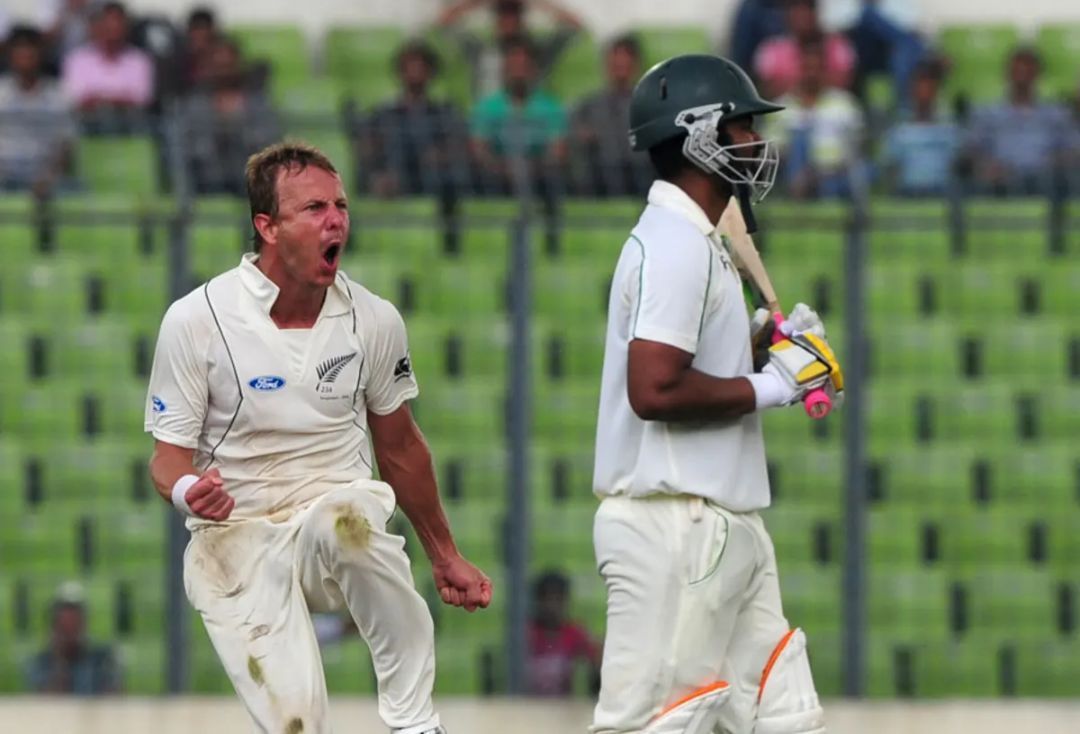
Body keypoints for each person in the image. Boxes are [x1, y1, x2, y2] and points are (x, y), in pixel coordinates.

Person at [144, 141, 492, 734]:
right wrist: (185, 492)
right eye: (313, 209)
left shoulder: (373, 320)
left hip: (331, 511)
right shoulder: (197, 319)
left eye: (341, 205)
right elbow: (167, 456)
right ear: (268, 227)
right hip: (237, 541)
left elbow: (401, 446)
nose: (336, 220)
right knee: (296, 726)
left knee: (347, 523)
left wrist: (444, 554)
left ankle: (414, 722)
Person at [591, 53, 841, 734]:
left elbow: (692, 364)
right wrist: (772, 386)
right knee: (655, 722)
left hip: (725, 523)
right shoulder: (673, 243)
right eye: (743, 128)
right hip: (673, 524)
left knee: (780, 712)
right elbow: (653, 388)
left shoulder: (701, 242)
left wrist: (768, 348)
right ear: (699, 133)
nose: (756, 143)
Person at [361, 40, 471, 198]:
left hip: (434, 180)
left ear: (431, 73)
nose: (415, 72)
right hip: (393, 175)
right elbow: (368, 148)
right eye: (410, 67)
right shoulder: (384, 113)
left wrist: (439, 155)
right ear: (400, 72)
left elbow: (459, 146)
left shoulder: (445, 112)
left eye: (421, 67)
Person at [762, 39, 865, 198]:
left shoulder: (845, 104)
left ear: (825, 71)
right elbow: (771, 152)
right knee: (799, 138)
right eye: (807, 68)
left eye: (817, 68)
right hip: (791, 176)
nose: (812, 74)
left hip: (836, 175)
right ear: (798, 70)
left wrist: (824, 171)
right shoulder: (779, 107)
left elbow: (856, 148)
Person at [964, 47, 1073, 196]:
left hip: (1047, 184)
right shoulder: (987, 114)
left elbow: (1073, 151)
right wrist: (985, 166)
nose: (1022, 78)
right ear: (1007, 75)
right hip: (999, 185)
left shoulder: (1056, 114)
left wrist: (1056, 162)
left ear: (1037, 75)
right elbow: (971, 152)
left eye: (1027, 72)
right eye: (1017, 72)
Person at [471, 35, 567, 196]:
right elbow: (478, 150)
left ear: (534, 70)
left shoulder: (551, 108)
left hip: (540, 179)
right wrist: (502, 168)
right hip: (494, 178)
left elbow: (558, 151)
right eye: (514, 66)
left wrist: (530, 168)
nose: (518, 73)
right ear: (504, 70)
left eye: (524, 66)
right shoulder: (486, 107)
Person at [182, 37, 280, 195]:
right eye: (219, 66)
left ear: (238, 65)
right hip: (206, 181)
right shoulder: (195, 104)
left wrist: (239, 134)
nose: (224, 72)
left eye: (228, 66)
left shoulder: (257, 101)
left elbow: (269, 140)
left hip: (249, 181)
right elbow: (187, 145)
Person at [436, 0, 582, 101]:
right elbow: (444, 23)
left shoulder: (539, 52)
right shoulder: (482, 51)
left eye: (514, 17)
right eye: (504, 17)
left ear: (521, 20)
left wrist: (534, 2)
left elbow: (575, 26)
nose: (509, 23)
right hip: (489, 126)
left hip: (532, 126)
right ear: (497, 20)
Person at [569, 34, 653, 197]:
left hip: (640, 173)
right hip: (600, 174)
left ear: (635, 66)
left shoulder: (649, 105)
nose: (619, 70)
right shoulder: (587, 106)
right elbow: (575, 136)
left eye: (624, 65)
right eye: (615, 65)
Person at [0, 25, 77, 194]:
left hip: (45, 178)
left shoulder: (58, 96)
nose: (25, 59)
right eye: (20, 55)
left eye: (30, 54)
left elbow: (66, 146)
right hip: (4, 177)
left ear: (40, 56)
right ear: (11, 57)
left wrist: (49, 177)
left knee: (76, 191)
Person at [24, 582, 122, 695]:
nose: (70, 632)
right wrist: (59, 660)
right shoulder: (40, 663)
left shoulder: (103, 659)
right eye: (64, 626)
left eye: (75, 624)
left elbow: (114, 699)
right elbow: (47, 703)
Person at [882, 58, 960, 196]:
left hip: (942, 193)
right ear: (911, 90)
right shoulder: (899, 128)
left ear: (936, 90)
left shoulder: (950, 127)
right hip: (907, 193)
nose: (924, 94)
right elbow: (890, 166)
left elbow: (957, 164)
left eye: (929, 88)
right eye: (919, 87)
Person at [61, 1, 154, 116]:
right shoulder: (77, 59)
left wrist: (100, 99)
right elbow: (75, 100)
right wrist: (120, 99)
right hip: (86, 127)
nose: (114, 29)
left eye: (118, 23)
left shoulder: (140, 60)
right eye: (108, 24)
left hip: (130, 128)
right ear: (98, 26)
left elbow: (142, 100)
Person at [752, 0, 855, 99]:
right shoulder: (770, 49)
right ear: (787, 14)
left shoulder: (839, 46)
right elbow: (768, 89)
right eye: (797, 10)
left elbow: (844, 84)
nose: (803, 16)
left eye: (808, 9)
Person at [525, 570, 601, 696]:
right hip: (529, 705)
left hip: (566, 707)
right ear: (538, 601)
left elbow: (596, 663)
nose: (552, 606)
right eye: (546, 599)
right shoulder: (527, 634)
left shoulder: (574, 633)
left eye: (558, 599)